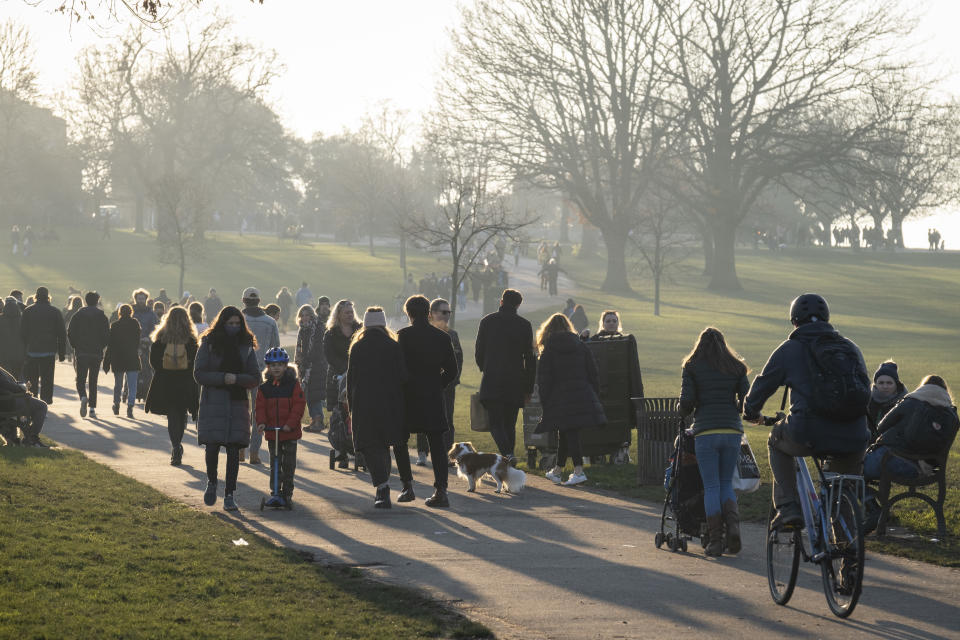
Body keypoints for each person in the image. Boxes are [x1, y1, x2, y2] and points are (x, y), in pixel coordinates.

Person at [743, 294, 870, 528]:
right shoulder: (850, 348)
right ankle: (850, 553)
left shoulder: (790, 349)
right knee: (841, 490)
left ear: (794, 321)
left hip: (808, 432)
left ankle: (789, 506)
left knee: (775, 442)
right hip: (855, 434)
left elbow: (761, 387)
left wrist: (751, 412)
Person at [677, 327, 750, 556]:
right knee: (726, 483)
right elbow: (746, 401)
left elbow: (687, 402)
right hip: (732, 431)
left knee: (711, 486)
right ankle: (734, 529)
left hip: (706, 431)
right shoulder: (736, 367)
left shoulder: (692, 366)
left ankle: (716, 541)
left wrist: (681, 409)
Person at [194, 306, 261, 511]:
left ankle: (230, 494)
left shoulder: (246, 345)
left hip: (237, 403)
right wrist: (223, 378)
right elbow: (199, 373)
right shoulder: (209, 343)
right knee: (212, 447)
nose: (234, 327)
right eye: (230, 323)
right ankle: (212, 482)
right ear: (222, 323)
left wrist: (237, 379)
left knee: (234, 450)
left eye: (237, 323)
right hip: (214, 401)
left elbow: (255, 377)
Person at [398, 295, 459, 508]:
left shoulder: (402, 336)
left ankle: (407, 486)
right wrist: (437, 385)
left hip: (407, 396)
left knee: (400, 441)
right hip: (432, 395)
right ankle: (441, 489)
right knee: (437, 445)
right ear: (429, 313)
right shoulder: (442, 338)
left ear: (409, 313)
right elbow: (452, 370)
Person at [347, 307, 410, 508]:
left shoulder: (357, 347)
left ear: (365, 325)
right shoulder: (393, 345)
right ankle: (387, 484)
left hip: (364, 403)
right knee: (385, 444)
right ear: (383, 324)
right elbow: (403, 376)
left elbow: (351, 380)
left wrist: (350, 404)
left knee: (370, 445)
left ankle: (382, 486)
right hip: (391, 402)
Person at [536, 311, 607, 488]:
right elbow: (593, 372)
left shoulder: (549, 350)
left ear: (547, 331)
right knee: (567, 432)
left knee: (571, 433)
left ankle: (578, 471)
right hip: (582, 393)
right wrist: (594, 395)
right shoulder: (581, 346)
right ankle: (558, 471)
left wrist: (545, 403)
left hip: (559, 397)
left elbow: (544, 380)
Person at [475, 289, 536, 461]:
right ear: (518, 304)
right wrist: (528, 387)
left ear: (501, 302)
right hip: (515, 379)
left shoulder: (487, 321)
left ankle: (508, 454)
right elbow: (530, 359)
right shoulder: (524, 325)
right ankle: (510, 457)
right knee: (510, 422)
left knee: (495, 422)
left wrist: (484, 368)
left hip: (492, 377)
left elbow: (479, 350)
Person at [864, 375, 959, 482]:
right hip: (926, 469)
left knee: (853, 468)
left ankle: (866, 497)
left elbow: (881, 427)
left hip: (893, 460)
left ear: (923, 387)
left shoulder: (910, 401)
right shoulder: (952, 415)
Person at [146, 306, 200, 466]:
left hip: (166, 382)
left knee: (172, 416)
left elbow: (153, 361)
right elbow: (195, 362)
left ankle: (176, 447)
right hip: (184, 382)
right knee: (182, 414)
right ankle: (178, 444)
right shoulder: (191, 340)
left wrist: (164, 368)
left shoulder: (161, 338)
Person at [255, 347, 305, 506]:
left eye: (280, 365)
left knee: (288, 465)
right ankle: (275, 492)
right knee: (275, 464)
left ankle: (287, 493)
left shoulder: (293, 385)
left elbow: (299, 406)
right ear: (268, 367)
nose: (276, 368)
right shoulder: (264, 388)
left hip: (288, 433)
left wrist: (290, 425)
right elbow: (260, 407)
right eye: (272, 365)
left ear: (286, 366)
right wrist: (261, 423)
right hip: (273, 434)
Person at [416, 298, 463, 463]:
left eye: (449, 312)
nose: (447, 316)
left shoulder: (452, 335)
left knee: (447, 419)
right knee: (423, 416)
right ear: (432, 314)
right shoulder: (422, 333)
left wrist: (452, 380)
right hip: (425, 384)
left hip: (447, 385)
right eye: (444, 312)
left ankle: (447, 454)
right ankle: (422, 451)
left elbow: (458, 360)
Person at [240, 287, 280, 465]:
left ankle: (240, 449)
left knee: (241, 411)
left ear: (244, 301)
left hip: (240, 372)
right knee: (258, 412)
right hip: (262, 372)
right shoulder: (270, 322)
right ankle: (254, 453)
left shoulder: (238, 319)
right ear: (259, 301)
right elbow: (275, 348)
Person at [67, 291, 110, 419]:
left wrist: (75, 346)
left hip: (82, 352)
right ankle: (92, 408)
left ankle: (83, 397)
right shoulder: (102, 317)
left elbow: (70, 332)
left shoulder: (78, 315)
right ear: (97, 301)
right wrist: (101, 346)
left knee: (80, 379)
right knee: (93, 380)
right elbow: (107, 335)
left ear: (85, 301)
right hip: (96, 352)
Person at [21, 287, 66, 405]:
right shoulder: (55, 312)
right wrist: (62, 353)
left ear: (36, 296)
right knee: (47, 379)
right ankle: (45, 402)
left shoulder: (28, 311)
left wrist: (23, 350)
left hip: (32, 351)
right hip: (49, 351)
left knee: (32, 379)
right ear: (48, 297)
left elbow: (23, 333)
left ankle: (33, 400)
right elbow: (61, 333)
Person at [103, 304, 142, 418]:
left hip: (118, 359)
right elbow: (137, 341)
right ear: (131, 312)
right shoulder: (135, 324)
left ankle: (116, 404)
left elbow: (110, 345)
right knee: (132, 385)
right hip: (132, 358)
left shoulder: (115, 326)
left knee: (118, 384)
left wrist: (107, 362)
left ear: (120, 313)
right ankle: (130, 406)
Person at [295, 305, 326, 431]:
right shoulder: (303, 329)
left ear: (312, 315)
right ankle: (314, 420)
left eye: (307, 315)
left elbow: (319, 348)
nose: (304, 317)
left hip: (316, 366)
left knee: (314, 394)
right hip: (306, 366)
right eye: (302, 315)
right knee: (308, 393)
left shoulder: (318, 328)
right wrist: (302, 362)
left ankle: (318, 421)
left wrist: (308, 360)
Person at [0, 365, 48, 447]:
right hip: (8, 402)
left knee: (36, 405)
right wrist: (23, 389)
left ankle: (18, 438)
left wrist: (21, 386)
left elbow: (8, 384)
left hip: (8, 400)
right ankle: (31, 437)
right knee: (41, 406)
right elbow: (6, 385)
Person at [867, 361, 907, 439]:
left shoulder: (904, 402)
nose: (885, 386)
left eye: (889, 383)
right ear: (875, 384)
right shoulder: (867, 401)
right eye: (881, 383)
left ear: (896, 384)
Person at [0, 297, 24, 380]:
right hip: (20, 354)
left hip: (3, 355)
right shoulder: (22, 320)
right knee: (18, 378)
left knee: (7, 379)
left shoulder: (1, 319)